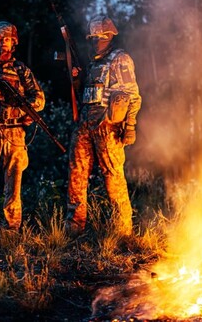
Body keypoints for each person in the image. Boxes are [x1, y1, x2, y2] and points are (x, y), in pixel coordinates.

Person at [65, 15, 141, 237]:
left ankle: (123, 231)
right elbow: (86, 94)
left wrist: (130, 125)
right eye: (94, 37)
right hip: (85, 126)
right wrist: (77, 79)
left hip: (108, 126)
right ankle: (74, 228)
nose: (97, 40)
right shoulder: (93, 61)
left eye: (101, 36)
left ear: (110, 36)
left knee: (113, 176)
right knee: (76, 174)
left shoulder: (120, 59)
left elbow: (133, 95)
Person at [0, 21, 45, 231]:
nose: (3, 44)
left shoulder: (21, 70)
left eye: (8, 40)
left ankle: (11, 229)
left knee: (14, 182)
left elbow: (39, 99)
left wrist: (24, 110)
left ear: (14, 43)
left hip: (14, 132)